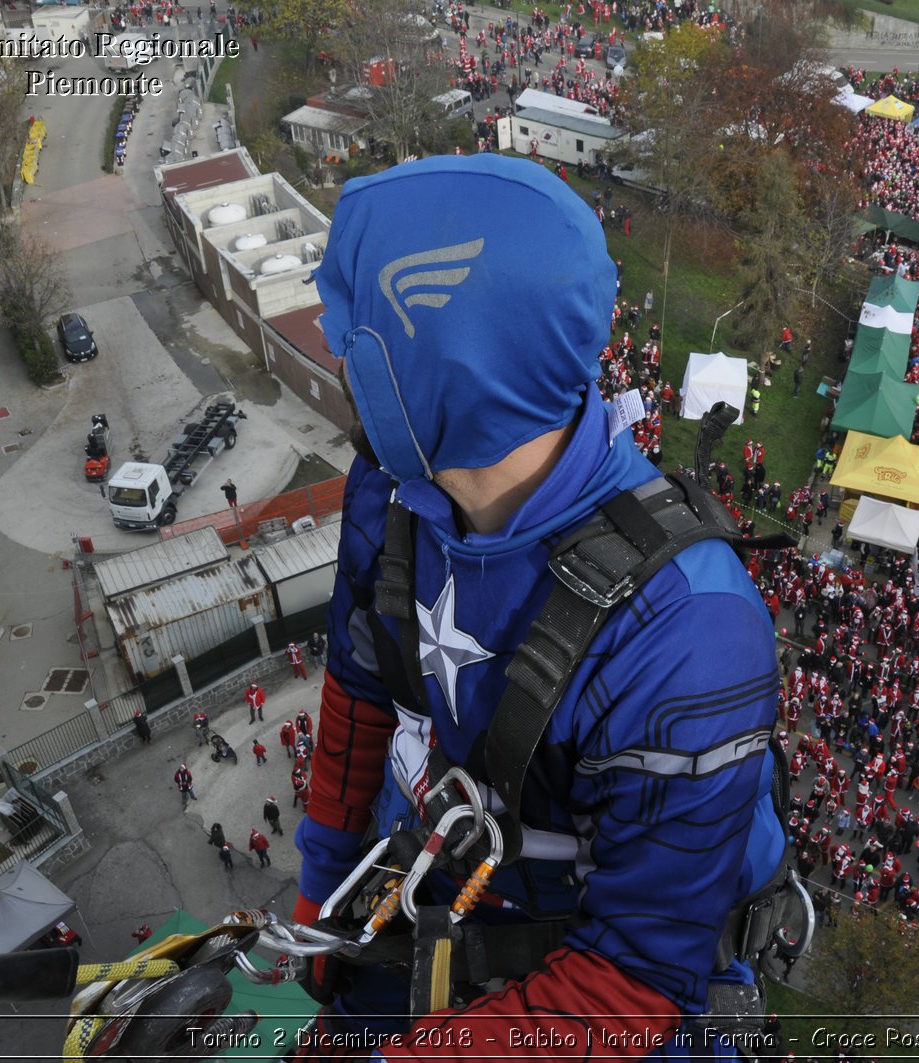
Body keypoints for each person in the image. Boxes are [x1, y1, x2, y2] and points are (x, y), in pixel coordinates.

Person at [291, 155, 787, 1061]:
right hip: (444, 892)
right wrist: (319, 898)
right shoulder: (389, 492)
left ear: (440, 362)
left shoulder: (691, 629)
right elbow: (361, 686)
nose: (329, 339)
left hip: (602, 985)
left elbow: (634, 983)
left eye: (349, 322)